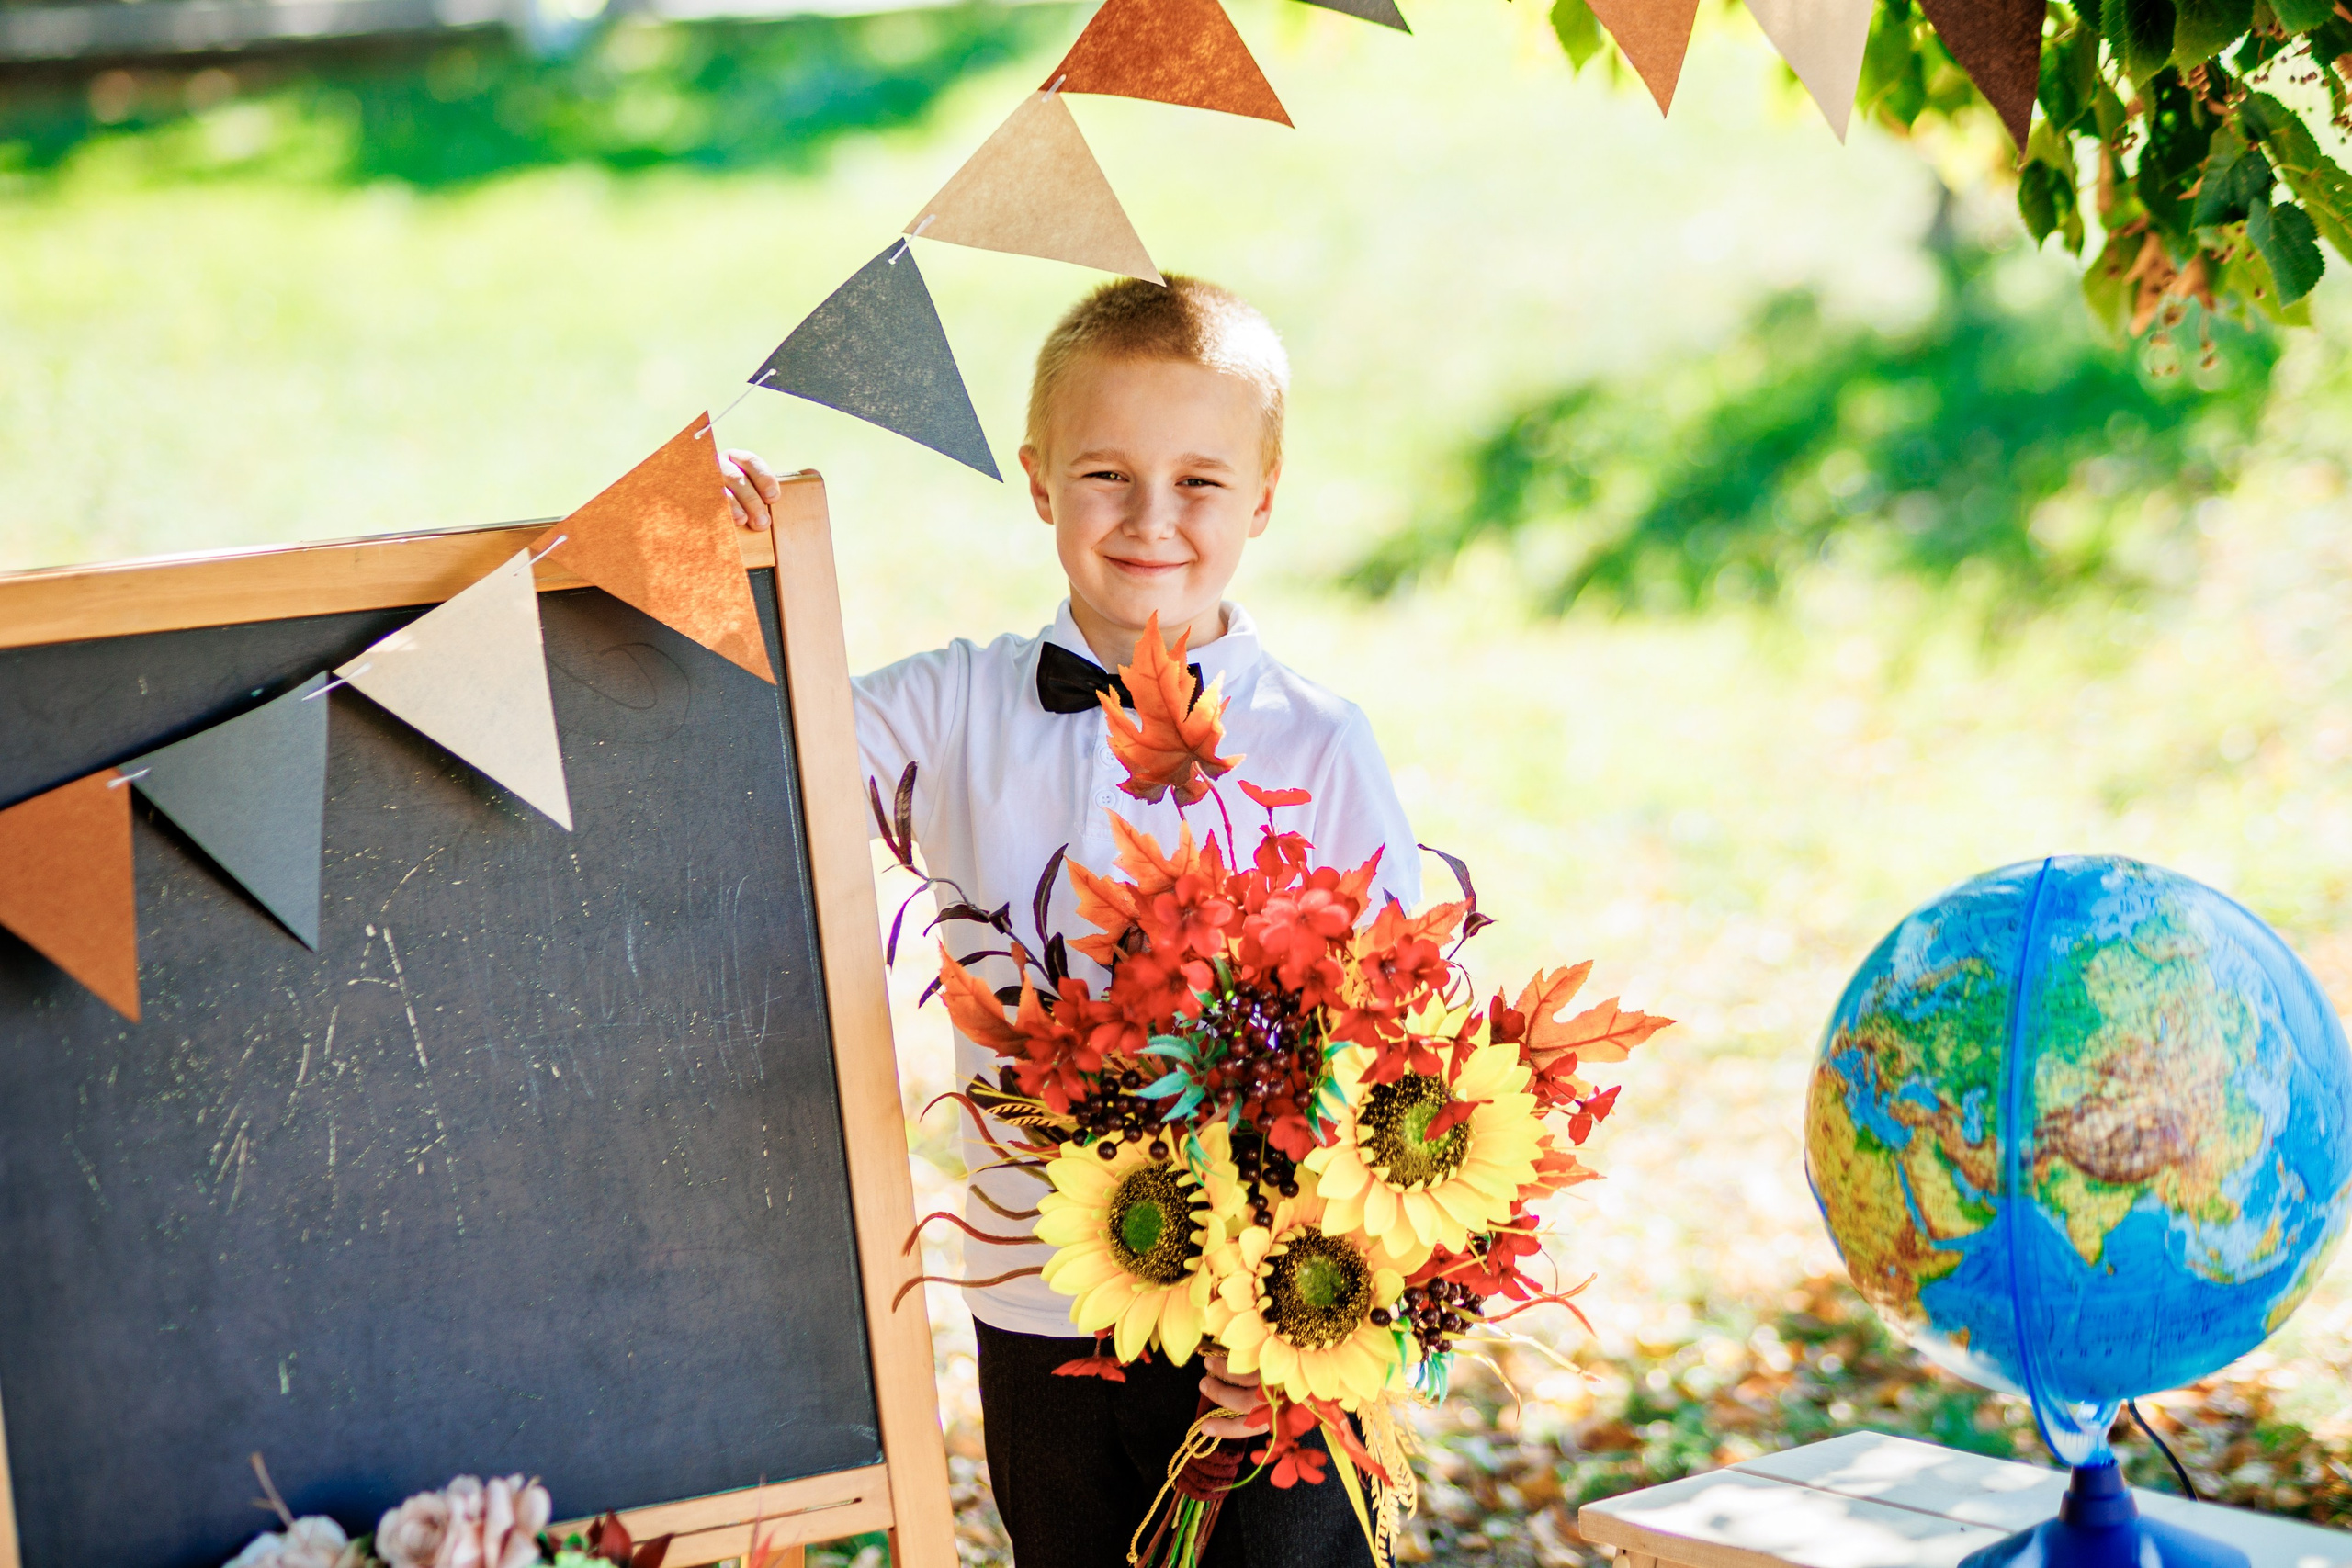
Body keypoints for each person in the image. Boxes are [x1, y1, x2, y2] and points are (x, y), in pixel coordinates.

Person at [724, 275, 1418, 1568]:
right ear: (1040, 479)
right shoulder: (955, 710)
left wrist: (1319, 1318)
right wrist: (720, 578)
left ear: (1265, 493)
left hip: (1265, 1309)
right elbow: (750, 763)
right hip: (1037, 1294)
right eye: (1108, 475)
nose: (1152, 519)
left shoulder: (1320, 744)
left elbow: (1399, 1044)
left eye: (1200, 483)